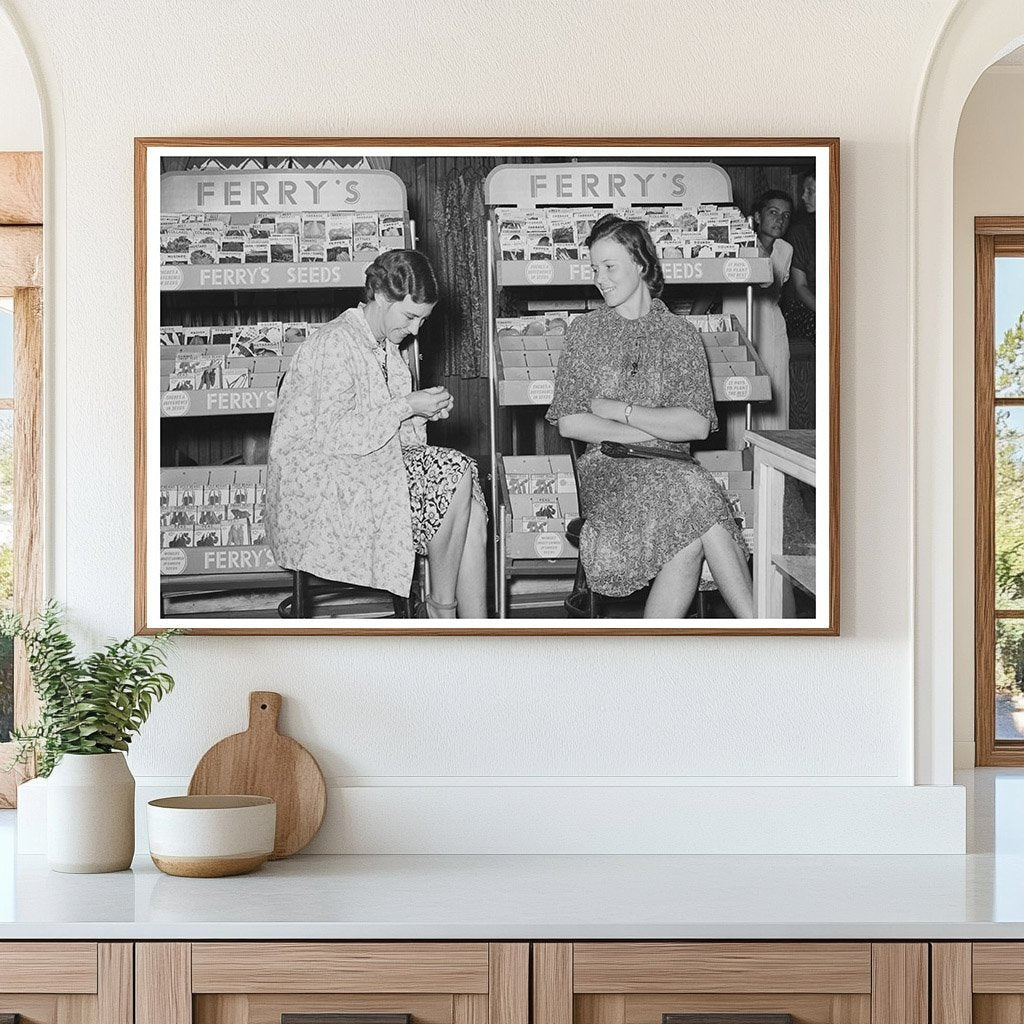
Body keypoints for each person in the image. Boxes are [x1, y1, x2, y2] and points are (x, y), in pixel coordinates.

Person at [546, 214, 754, 619]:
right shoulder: (584, 333)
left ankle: (648, 653)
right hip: (610, 469)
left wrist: (620, 412)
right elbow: (571, 422)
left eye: (609, 267)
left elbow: (695, 426)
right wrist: (656, 427)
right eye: (594, 268)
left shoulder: (680, 336)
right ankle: (761, 629)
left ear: (640, 264)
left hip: (674, 468)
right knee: (695, 498)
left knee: (690, 522)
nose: (599, 279)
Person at [265, 250, 488, 619]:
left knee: (473, 511)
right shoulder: (335, 343)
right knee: (456, 472)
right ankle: (440, 609)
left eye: (423, 320)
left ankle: (477, 636)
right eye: (410, 316)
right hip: (320, 491)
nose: (416, 330)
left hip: (365, 475)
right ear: (382, 299)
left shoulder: (388, 348)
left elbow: (400, 443)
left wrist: (422, 413)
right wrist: (407, 407)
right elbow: (334, 437)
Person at [749, 189, 794, 431]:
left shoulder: (785, 250)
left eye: (786, 216)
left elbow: (775, 290)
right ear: (757, 216)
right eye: (773, 212)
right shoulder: (739, 243)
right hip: (744, 324)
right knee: (744, 394)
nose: (780, 220)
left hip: (773, 327)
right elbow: (710, 290)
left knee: (776, 392)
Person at [782, 172, 816, 345]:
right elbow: (800, 286)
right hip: (804, 310)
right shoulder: (800, 231)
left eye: (810, 191)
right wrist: (827, 313)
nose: (803, 197)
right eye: (803, 191)